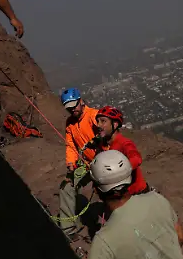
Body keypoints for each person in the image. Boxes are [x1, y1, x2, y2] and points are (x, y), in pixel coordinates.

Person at [59, 89, 148, 238]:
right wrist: (70, 162)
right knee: (66, 187)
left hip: (105, 164)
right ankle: (69, 229)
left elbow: (128, 152)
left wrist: (115, 167)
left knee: (111, 193)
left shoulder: (94, 116)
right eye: (69, 107)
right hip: (88, 164)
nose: (72, 109)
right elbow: (71, 145)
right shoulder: (70, 124)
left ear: (81, 101)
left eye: (74, 105)